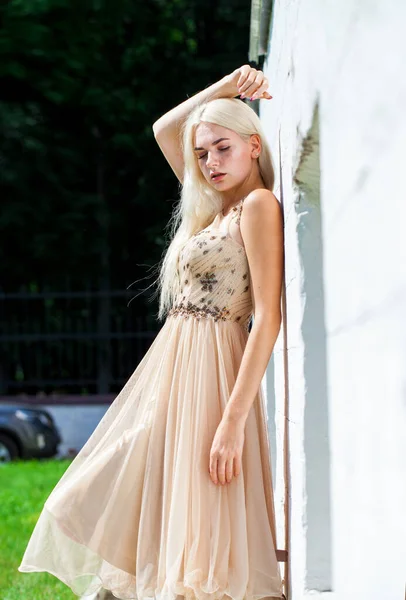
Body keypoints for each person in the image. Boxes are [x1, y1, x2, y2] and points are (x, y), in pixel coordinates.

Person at [18, 64, 285, 600]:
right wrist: (225, 87)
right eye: (204, 152)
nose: (210, 161)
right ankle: (129, 588)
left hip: (214, 374)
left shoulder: (257, 207)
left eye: (223, 148)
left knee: (196, 502)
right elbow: (168, 130)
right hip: (172, 369)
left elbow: (269, 318)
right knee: (118, 482)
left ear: (255, 146)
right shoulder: (211, 210)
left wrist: (232, 420)